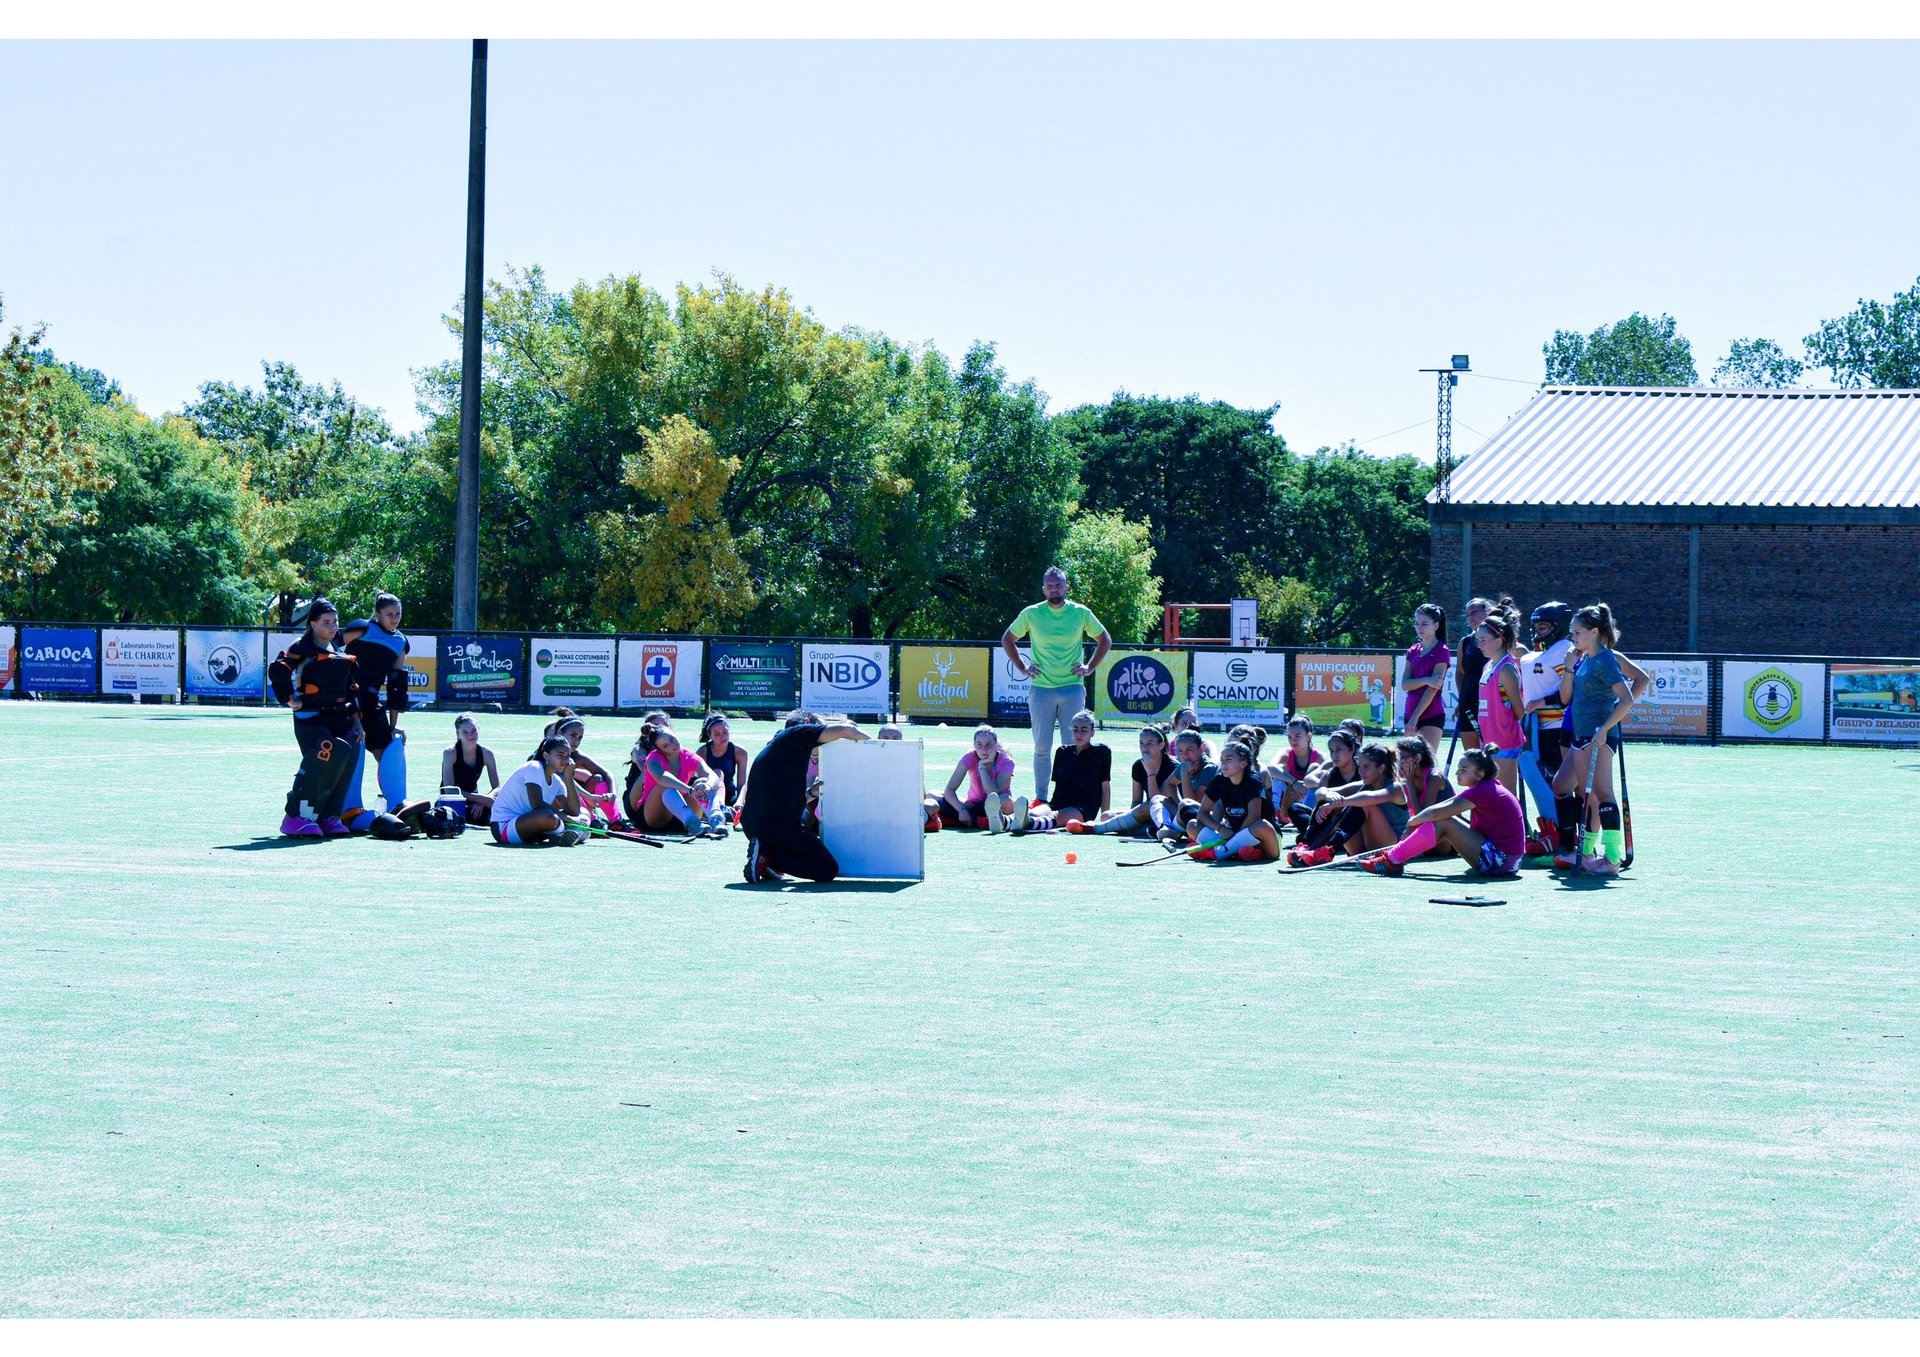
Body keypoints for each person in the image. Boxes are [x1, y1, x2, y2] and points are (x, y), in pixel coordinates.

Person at [1002, 566, 1112, 802]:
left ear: (1067, 587)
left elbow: (1105, 639)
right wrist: (1022, 667)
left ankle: (1069, 796)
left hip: (1072, 688)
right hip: (1041, 689)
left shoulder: (1080, 613)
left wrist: (1089, 668)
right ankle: (1040, 797)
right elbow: (1008, 639)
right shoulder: (1031, 614)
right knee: (1042, 747)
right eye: (1050, 586)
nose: (1054, 590)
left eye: (1058, 585)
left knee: (1072, 746)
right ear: (1044, 590)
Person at [1552, 603, 1637, 874]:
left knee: (1602, 793)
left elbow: (1627, 698)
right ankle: (1585, 850)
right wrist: (1568, 667)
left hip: (1597, 737)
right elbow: (1566, 699)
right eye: (1572, 632)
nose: (1573, 637)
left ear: (1595, 632)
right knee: (1562, 784)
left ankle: (1611, 858)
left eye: (1578, 632)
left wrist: (1604, 728)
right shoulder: (1583, 659)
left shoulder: (1605, 660)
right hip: (1580, 734)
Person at [267, 598, 363, 838]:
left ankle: (328, 816)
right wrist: (290, 699)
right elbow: (278, 669)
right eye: (326, 622)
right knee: (325, 756)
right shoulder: (300, 647)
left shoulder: (338, 649)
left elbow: (350, 688)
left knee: (346, 756)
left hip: (339, 717)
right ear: (312, 624)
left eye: (335, 622)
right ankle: (295, 816)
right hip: (311, 719)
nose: (332, 627)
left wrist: (357, 720)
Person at [741, 710, 870, 884]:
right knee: (827, 869)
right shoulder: (799, 733)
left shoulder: (779, 747)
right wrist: (879, 750)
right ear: (808, 723)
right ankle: (767, 856)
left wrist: (811, 793)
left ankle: (766, 857)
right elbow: (847, 730)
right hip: (778, 826)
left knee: (806, 843)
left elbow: (785, 799)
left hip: (754, 826)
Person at [1360, 749, 1525, 878]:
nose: (1457, 773)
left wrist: (1413, 822)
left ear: (1479, 774)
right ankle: (1394, 857)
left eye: (1464, 770)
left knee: (1444, 821)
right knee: (1445, 820)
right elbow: (1443, 807)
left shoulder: (1483, 790)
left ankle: (1392, 859)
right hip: (1507, 862)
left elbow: (1438, 812)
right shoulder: (1486, 788)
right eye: (1459, 769)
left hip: (1502, 862)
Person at [338, 591, 411, 830]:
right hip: (346, 701)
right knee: (352, 749)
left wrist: (393, 724)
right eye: (389, 614)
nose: (394, 618)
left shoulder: (401, 642)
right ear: (377, 613)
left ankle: (397, 806)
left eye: (397, 614)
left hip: (371, 703)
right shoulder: (361, 628)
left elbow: (397, 686)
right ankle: (347, 809)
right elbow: (329, 646)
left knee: (388, 749)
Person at [1518, 600, 1576, 852]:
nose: (1538, 630)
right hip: (1533, 727)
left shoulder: (1566, 650)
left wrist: (1543, 701)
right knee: (1536, 778)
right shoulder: (1537, 653)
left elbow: (1570, 692)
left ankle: (1566, 836)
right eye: (1536, 626)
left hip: (1556, 726)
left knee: (1557, 782)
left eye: (1544, 626)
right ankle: (1550, 830)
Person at [1290, 741, 1403, 865]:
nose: (1361, 771)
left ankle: (1328, 850)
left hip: (1392, 847)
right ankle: (1306, 845)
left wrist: (1338, 803)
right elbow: (1320, 793)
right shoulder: (1364, 784)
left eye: (1366, 767)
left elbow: (1370, 798)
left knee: (1363, 803)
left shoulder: (1395, 787)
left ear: (1381, 768)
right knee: (1331, 799)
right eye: (1359, 766)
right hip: (1364, 846)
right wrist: (1328, 796)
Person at [1186, 739, 1281, 862]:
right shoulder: (1219, 780)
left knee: (1261, 825)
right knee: (1192, 825)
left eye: (1229, 759)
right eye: (1222, 760)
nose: (1223, 764)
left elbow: (1253, 817)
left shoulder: (1254, 782)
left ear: (1243, 763)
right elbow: (1202, 814)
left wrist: (1234, 837)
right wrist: (1221, 829)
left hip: (1261, 836)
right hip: (1232, 836)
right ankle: (1232, 851)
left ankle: (1220, 852)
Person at [633, 720, 729, 837]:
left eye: (672, 739)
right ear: (660, 750)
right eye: (665, 746)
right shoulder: (653, 758)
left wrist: (707, 786)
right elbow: (661, 777)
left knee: (703, 782)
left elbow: (712, 776)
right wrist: (689, 790)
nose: (673, 746)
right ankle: (693, 824)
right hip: (652, 818)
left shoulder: (688, 755)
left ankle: (716, 819)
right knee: (664, 786)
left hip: (678, 815)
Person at [489, 736, 588, 847]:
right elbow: (537, 804)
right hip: (503, 828)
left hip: (530, 826)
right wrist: (567, 818)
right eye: (560, 755)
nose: (565, 761)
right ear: (546, 755)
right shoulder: (534, 767)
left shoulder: (557, 781)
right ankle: (567, 834)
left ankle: (567, 833)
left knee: (584, 813)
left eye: (568, 757)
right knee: (549, 817)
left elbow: (574, 811)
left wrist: (569, 778)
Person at [1473, 611, 1529, 797]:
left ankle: (1516, 827)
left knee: (1506, 795)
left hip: (1504, 739)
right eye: (1477, 639)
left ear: (1498, 641)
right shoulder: (1488, 665)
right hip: (1488, 738)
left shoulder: (1506, 668)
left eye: (1483, 640)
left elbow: (1520, 710)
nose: (1479, 644)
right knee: (1490, 794)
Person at [1087, 725, 1176, 836]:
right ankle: (1147, 830)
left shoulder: (1172, 766)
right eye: (1141, 744)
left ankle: (1149, 829)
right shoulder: (1138, 765)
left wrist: (1150, 773)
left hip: (1167, 813)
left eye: (1150, 744)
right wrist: (1134, 818)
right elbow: (1136, 801)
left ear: (1161, 745)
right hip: (1146, 812)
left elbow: (1157, 802)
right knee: (1106, 816)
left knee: (1145, 807)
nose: (1144, 748)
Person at [937, 725, 1026, 832]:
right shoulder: (969, 756)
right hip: (973, 804)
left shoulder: (1007, 761)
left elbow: (993, 793)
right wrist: (961, 810)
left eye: (989, 744)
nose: (984, 749)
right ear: (974, 745)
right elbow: (949, 790)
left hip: (999, 805)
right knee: (933, 794)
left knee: (1005, 800)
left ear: (996, 745)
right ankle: (983, 821)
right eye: (979, 744)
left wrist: (982, 767)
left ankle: (996, 819)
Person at [545, 708, 622, 827]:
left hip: (571, 804)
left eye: (580, 738)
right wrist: (589, 797)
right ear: (560, 732)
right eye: (573, 735)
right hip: (551, 807)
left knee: (598, 778)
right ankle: (590, 820)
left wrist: (612, 794)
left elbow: (608, 774)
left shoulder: (577, 755)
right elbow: (563, 782)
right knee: (566, 786)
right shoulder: (544, 756)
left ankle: (616, 821)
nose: (576, 741)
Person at [1153, 730, 1219, 844]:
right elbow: (1170, 783)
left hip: (1207, 817)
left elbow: (1192, 803)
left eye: (1189, 750)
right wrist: (1179, 804)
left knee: (1185, 805)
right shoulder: (1186, 764)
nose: (1184, 755)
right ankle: (1166, 827)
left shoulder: (1208, 768)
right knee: (1158, 799)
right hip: (1187, 814)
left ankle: (1172, 829)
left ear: (1201, 749)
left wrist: (1184, 774)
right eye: (1180, 751)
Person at [1401, 603, 1451, 754]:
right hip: (1409, 713)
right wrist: (1426, 679)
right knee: (1409, 764)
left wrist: (1415, 717)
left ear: (1436, 625)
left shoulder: (1442, 651)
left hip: (1432, 714)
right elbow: (1405, 684)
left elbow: (1433, 689)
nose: (1419, 628)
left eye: (1424, 624)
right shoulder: (1412, 650)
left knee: (1426, 763)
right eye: (1417, 623)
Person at [1050, 710, 1112, 830]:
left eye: (1084, 730)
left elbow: (1105, 787)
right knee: (1035, 813)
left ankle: (1033, 822)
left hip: (1083, 807)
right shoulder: (1062, 752)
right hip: (1059, 802)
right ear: (1071, 731)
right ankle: (1007, 821)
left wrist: (1105, 817)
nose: (1079, 734)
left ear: (1092, 732)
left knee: (1055, 816)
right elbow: (1057, 787)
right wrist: (1050, 805)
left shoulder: (1102, 752)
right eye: (1075, 729)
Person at [441, 712, 501, 825]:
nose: (470, 735)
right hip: (452, 801)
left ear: (478, 729)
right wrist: (481, 799)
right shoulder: (450, 753)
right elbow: (449, 789)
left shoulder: (487, 753)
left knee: (495, 813)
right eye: (465, 732)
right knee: (450, 816)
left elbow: (497, 787)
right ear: (458, 734)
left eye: (474, 730)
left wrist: (484, 801)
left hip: (475, 802)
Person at [1452, 597, 1494, 751]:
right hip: (1469, 703)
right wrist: (1462, 698)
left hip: (1491, 705)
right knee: (1473, 756)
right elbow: (1460, 673)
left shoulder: (1499, 641)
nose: (1470, 618)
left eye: (1475, 612)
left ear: (1488, 612)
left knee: (1493, 756)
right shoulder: (1465, 642)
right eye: (1468, 615)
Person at [696, 713, 752, 823]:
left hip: (730, 797)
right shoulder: (702, 752)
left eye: (725, 732)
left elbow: (742, 784)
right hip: (709, 796)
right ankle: (719, 807)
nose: (723, 737)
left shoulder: (740, 752)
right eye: (717, 734)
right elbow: (697, 781)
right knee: (717, 773)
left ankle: (725, 809)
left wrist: (739, 802)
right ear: (709, 735)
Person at [1266, 714, 1322, 821]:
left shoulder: (1319, 756)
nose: (1293, 741)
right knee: (1279, 770)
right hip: (1288, 798)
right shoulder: (1286, 753)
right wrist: (1294, 783)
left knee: (1315, 768)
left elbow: (1331, 776)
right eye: (1289, 737)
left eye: (1297, 736)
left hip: (1308, 799)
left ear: (1309, 736)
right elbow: (1270, 767)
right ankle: (1276, 814)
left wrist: (1306, 785)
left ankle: (1307, 816)